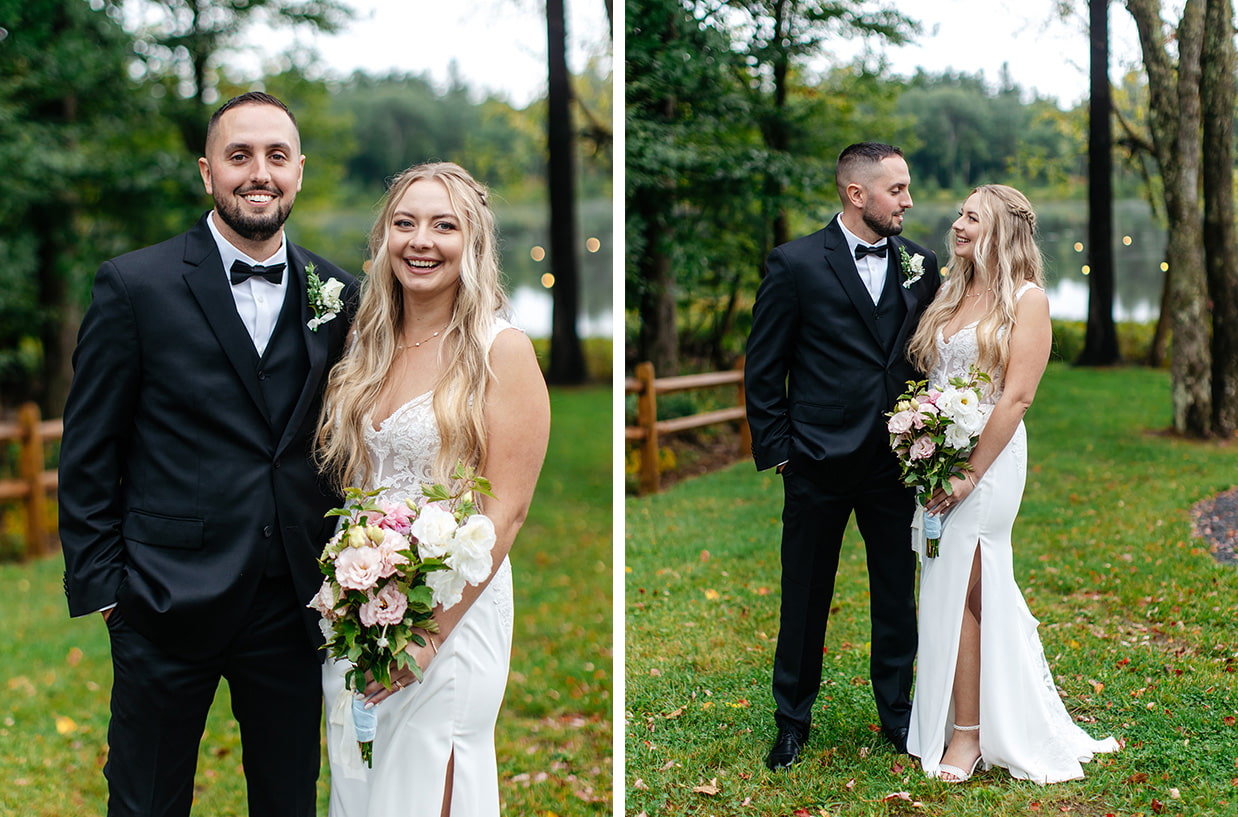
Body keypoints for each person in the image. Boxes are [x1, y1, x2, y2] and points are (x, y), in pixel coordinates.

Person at [59, 91, 359, 816]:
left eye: (276, 156)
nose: (259, 172)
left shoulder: (338, 293)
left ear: (298, 171)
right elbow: (89, 450)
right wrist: (111, 596)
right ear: (207, 172)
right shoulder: (135, 285)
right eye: (239, 155)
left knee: (288, 800)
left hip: (292, 604)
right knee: (145, 802)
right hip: (163, 601)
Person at [315, 161, 550, 816]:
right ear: (384, 237)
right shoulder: (368, 342)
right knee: (360, 775)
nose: (421, 240)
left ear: (471, 241)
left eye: (443, 225)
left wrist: (430, 632)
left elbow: (507, 511)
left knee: (427, 775)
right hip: (361, 604)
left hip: (455, 607)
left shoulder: (501, 349)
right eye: (405, 223)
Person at [905, 184, 1121, 783]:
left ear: (1000, 228)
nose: (958, 225)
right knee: (951, 581)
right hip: (939, 457)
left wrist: (970, 470)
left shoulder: (1028, 301)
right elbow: (934, 379)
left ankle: (970, 738)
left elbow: (1018, 395)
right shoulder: (952, 291)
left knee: (972, 581)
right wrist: (921, 440)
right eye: (959, 215)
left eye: (971, 217)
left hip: (991, 464)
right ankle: (965, 719)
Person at [744, 142, 942, 769]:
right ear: (858, 195)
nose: (908, 201)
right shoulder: (795, 263)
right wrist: (782, 454)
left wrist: (930, 438)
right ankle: (792, 720)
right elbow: (763, 368)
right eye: (897, 191)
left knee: (895, 594)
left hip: (896, 466)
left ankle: (899, 716)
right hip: (816, 463)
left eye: (907, 189)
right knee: (804, 596)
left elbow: (926, 358)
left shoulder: (920, 264)